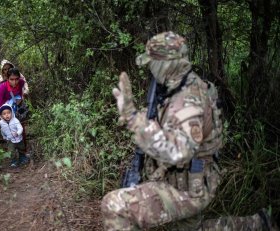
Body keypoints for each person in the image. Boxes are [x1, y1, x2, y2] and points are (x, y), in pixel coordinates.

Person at [101, 31, 272, 230]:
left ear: (166, 65)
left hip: (188, 187)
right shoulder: (180, 87)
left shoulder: (189, 99)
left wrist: (133, 119)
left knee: (115, 206)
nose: (149, 68)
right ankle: (258, 225)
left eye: (152, 63)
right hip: (189, 178)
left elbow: (177, 152)